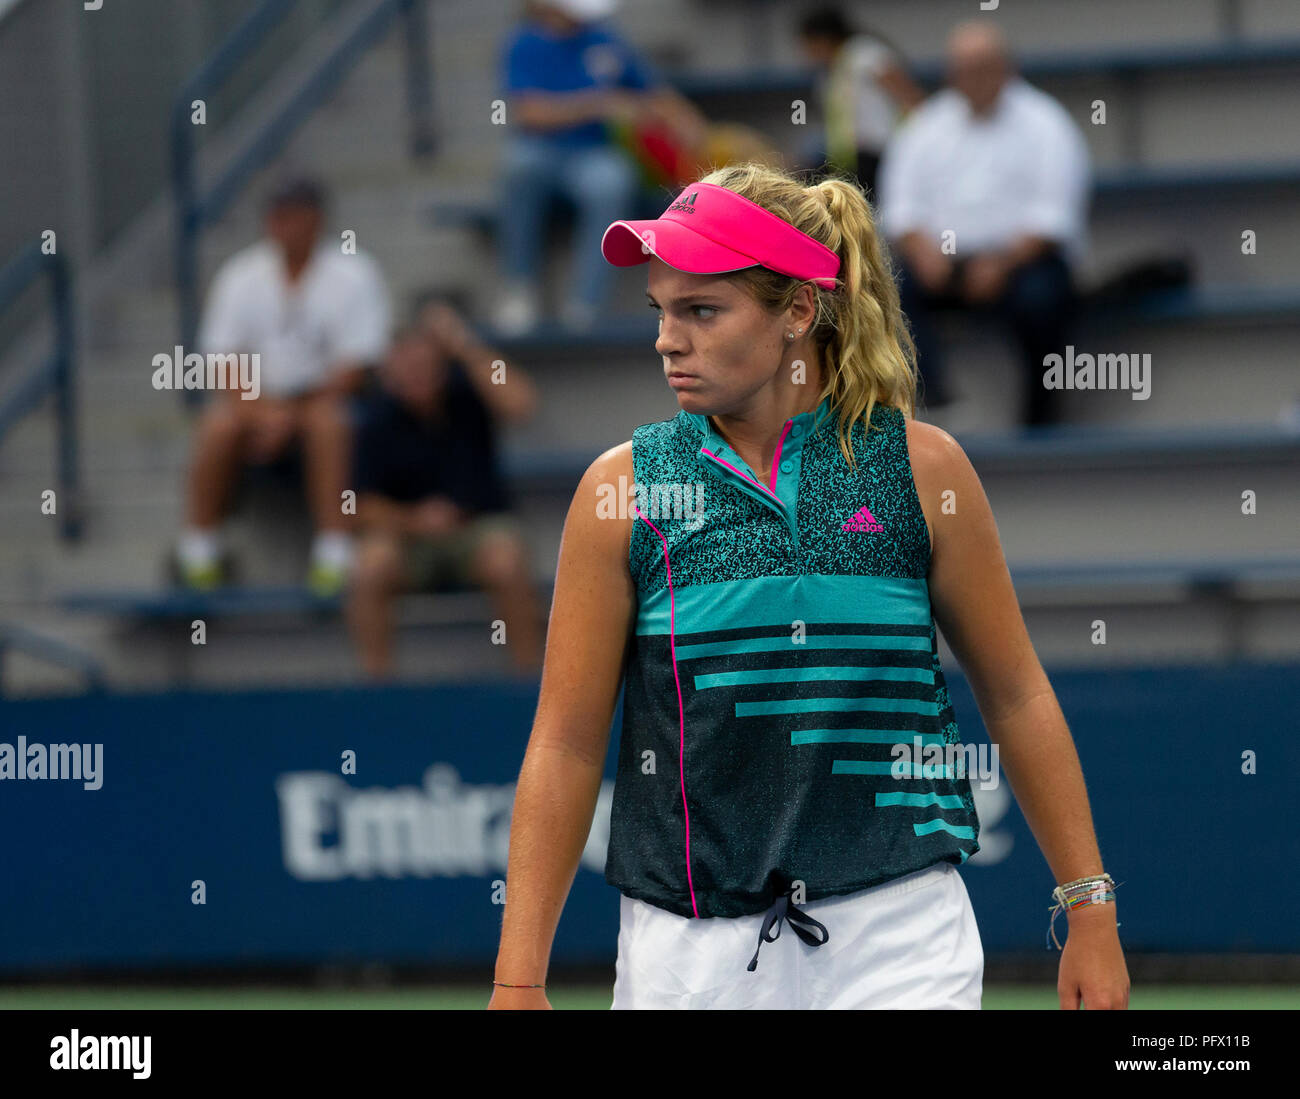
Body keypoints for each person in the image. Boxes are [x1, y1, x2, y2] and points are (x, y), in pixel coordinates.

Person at [489, 163, 1128, 1010]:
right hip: (688, 949)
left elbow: (1017, 695)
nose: (666, 339)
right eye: (661, 311)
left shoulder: (922, 468)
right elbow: (565, 743)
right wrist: (518, 977)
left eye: (701, 311)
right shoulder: (622, 492)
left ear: (798, 310)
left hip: (903, 931)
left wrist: (1090, 909)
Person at [175, 178, 391, 595]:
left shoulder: (354, 272)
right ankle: (199, 547)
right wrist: (264, 412)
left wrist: (289, 415)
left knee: (329, 424)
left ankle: (333, 548)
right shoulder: (240, 275)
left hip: (324, 400)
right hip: (259, 403)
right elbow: (223, 362)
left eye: (292, 215)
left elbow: (356, 367)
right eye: (276, 216)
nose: (282, 226)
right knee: (218, 426)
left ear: (316, 220)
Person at [876, 22, 1091, 425]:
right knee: (887, 293)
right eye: (963, 69)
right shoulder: (926, 126)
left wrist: (1002, 264)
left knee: (1042, 299)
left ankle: (1042, 414)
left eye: (983, 68)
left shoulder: (1047, 124)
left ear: (1007, 68)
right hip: (941, 263)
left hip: (1022, 263)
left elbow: (1054, 217)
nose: (972, 80)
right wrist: (923, 254)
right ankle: (930, 401)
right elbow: (901, 207)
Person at [347, 303, 544, 678]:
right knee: (370, 567)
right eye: (406, 366)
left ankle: (529, 682)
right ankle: (376, 688)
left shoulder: (471, 393)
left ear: (442, 364)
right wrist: (414, 520)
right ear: (389, 371)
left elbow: (521, 403)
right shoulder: (375, 419)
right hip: (407, 540)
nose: (416, 375)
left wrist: (462, 342)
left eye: (425, 364)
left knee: (507, 559)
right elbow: (357, 505)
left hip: (477, 530)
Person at [495, 0, 707, 334]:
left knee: (612, 181)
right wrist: (598, 105)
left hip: (594, 155)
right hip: (541, 153)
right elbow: (528, 113)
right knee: (520, 169)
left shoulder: (605, 39)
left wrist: (686, 121)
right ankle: (519, 287)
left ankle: (585, 304)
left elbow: (652, 91)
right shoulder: (524, 43)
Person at [796, 5, 925, 198]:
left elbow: (909, 96)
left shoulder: (865, 55)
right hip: (849, 158)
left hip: (881, 152)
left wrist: (918, 142)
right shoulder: (828, 75)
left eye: (807, 45)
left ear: (823, 39)